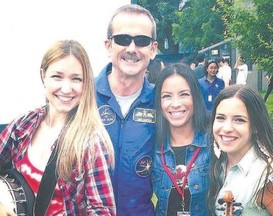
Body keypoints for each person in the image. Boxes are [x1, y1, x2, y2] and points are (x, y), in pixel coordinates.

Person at [0, 40, 116, 215]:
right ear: (43, 76)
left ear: (86, 84)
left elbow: (103, 211)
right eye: (57, 76)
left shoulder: (91, 143)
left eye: (76, 79)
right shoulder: (23, 125)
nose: (66, 88)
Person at [95, 4, 158, 216]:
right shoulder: (83, 96)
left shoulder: (163, 102)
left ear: (153, 49)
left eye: (141, 41)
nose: (132, 48)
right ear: (108, 46)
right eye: (123, 39)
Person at [208, 84, 273, 215]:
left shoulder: (269, 177)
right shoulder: (219, 164)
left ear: (255, 126)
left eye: (239, 120)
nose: (227, 128)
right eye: (221, 118)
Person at [152, 63, 212, 216]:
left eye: (184, 94)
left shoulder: (213, 143)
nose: (176, 104)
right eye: (166, 96)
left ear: (196, 96)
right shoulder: (152, 147)